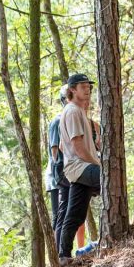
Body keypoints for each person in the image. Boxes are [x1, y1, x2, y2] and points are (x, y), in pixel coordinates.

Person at [58, 73, 101, 266]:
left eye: (88, 86)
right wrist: (98, 165)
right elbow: (77, 145)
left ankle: (64, 255)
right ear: (72, 90)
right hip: (80, 167)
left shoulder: (77, 111)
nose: (87, 89)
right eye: (83, 86)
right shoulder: (73, 111)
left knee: (75, 214)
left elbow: (62, 146)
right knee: (109, 180)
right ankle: (114, 232)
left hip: (77, 169)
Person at [48, 85, 85, 252]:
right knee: (61, 214)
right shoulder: (58, 120)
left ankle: (74, 249)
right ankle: (59, 253)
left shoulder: (72, 117)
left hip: (68, 170)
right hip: (60, 174)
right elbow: (55, 149)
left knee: (71, 211)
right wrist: (61, 171)